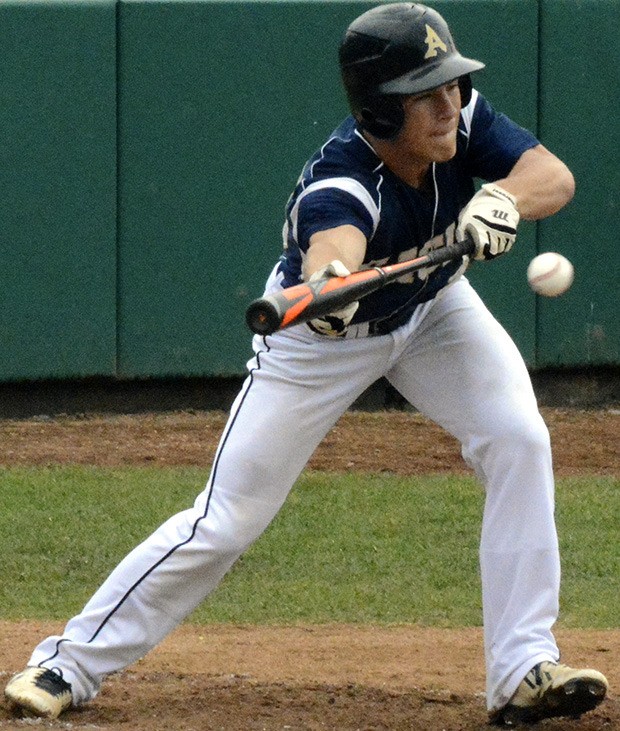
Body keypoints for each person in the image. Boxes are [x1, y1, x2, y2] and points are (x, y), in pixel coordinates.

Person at [4, 3, 609, 726]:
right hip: (317, 345)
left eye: (452, 83)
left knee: (520, 438)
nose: (450, 102)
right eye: (428, 92)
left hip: (434, 311)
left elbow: (554, 175)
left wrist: (505, 196)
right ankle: (65, 662)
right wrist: (329, 291)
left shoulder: (463, 117)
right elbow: (333, 255)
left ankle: (521, 668)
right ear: (382, 111)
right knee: (227, 517)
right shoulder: (340, 184)